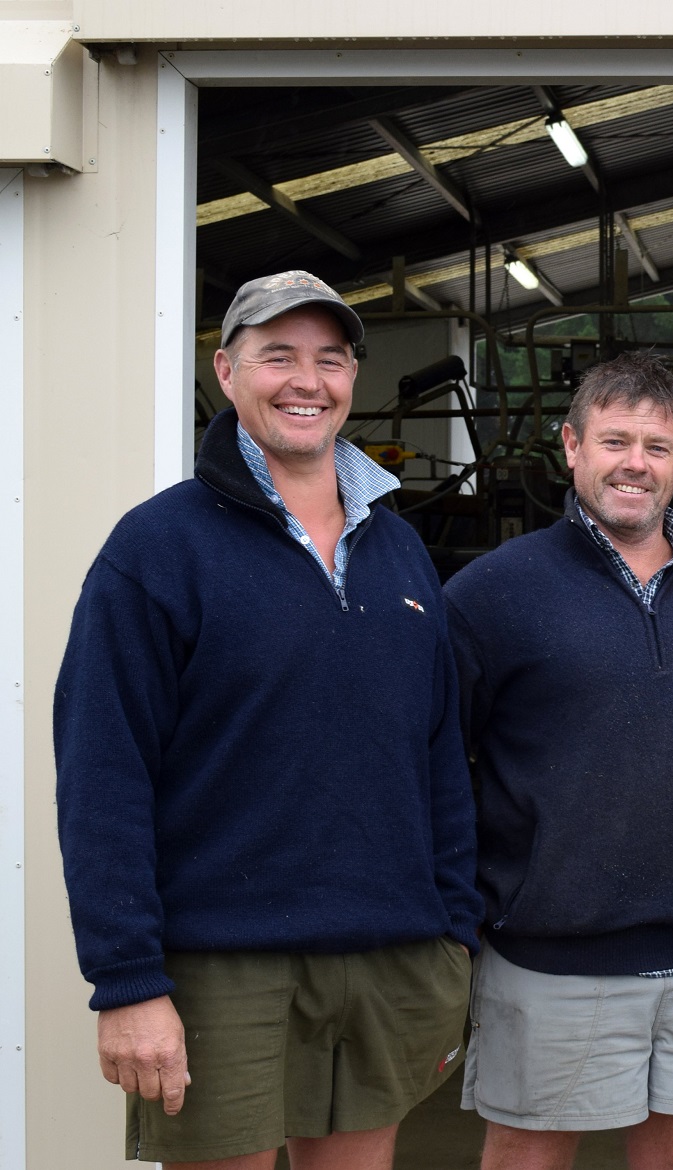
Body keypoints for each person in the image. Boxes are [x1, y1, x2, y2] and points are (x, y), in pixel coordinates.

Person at [54, 270, 483, 1168]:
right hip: (223, 965)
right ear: (226, 371)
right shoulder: (159, 548)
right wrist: (126, 979)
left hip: (391, 951)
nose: (306, 380)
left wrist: (453, 931)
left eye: (329, 359)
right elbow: (103, 770)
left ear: (351, 382)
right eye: (277, 355)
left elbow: (440, 753)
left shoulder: (398, 546)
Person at [444, 351, 673, 1170]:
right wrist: (455, 912)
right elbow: (434, 763)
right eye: (615, 441)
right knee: (529, 1156)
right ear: (571, 446)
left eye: (658, 446)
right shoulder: (493, 593)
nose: (636, 463)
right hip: (547, 950)